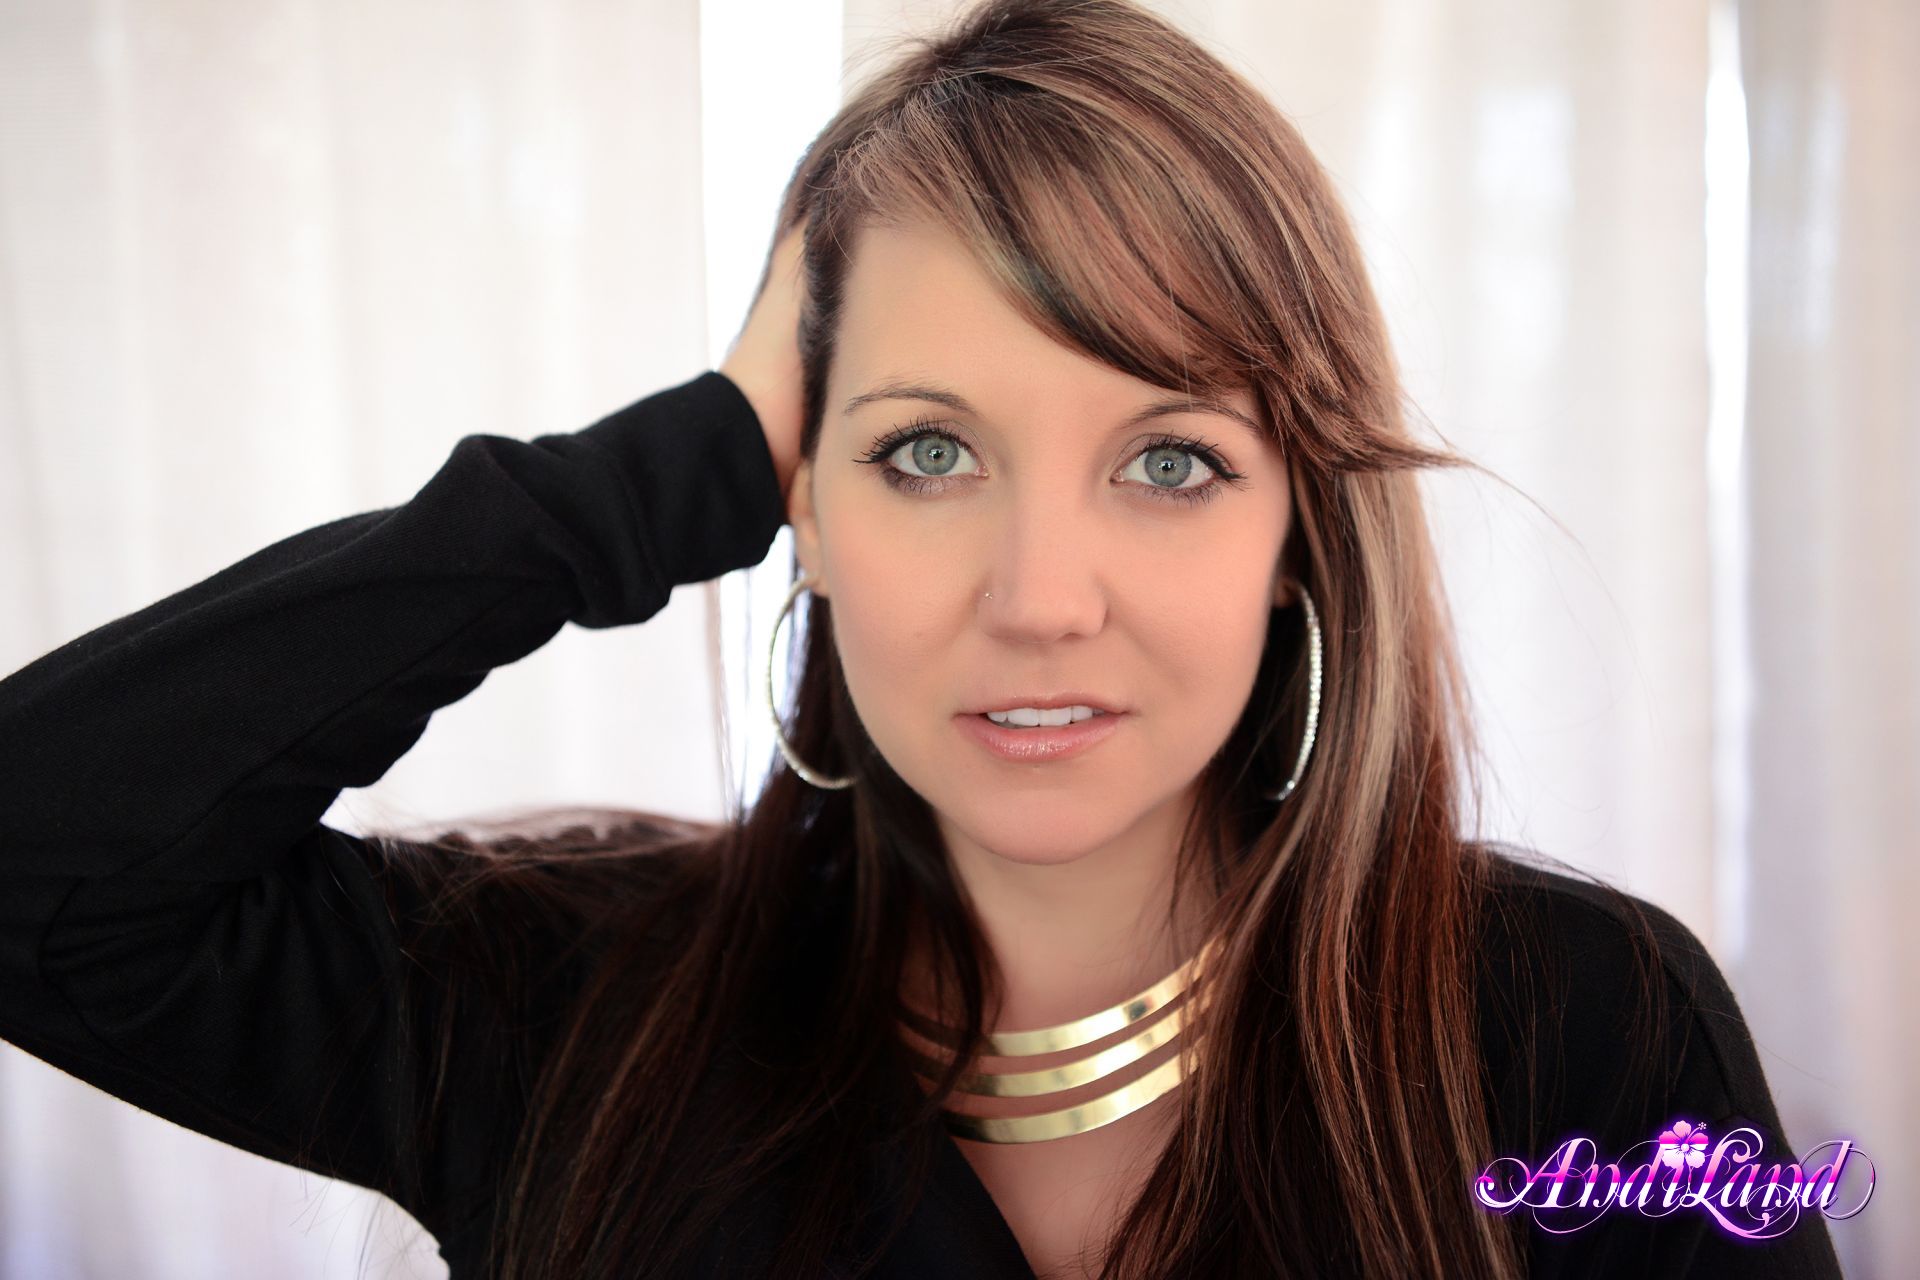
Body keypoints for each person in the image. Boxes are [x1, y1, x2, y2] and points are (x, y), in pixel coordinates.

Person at [0, 1, 1848, 1277]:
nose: (1041, 596)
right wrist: (653, 478)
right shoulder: (572, 1018)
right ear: (798, 502)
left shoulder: (1588, 1034)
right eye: (927, 452)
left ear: (1301, 538)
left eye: (1171, 461)